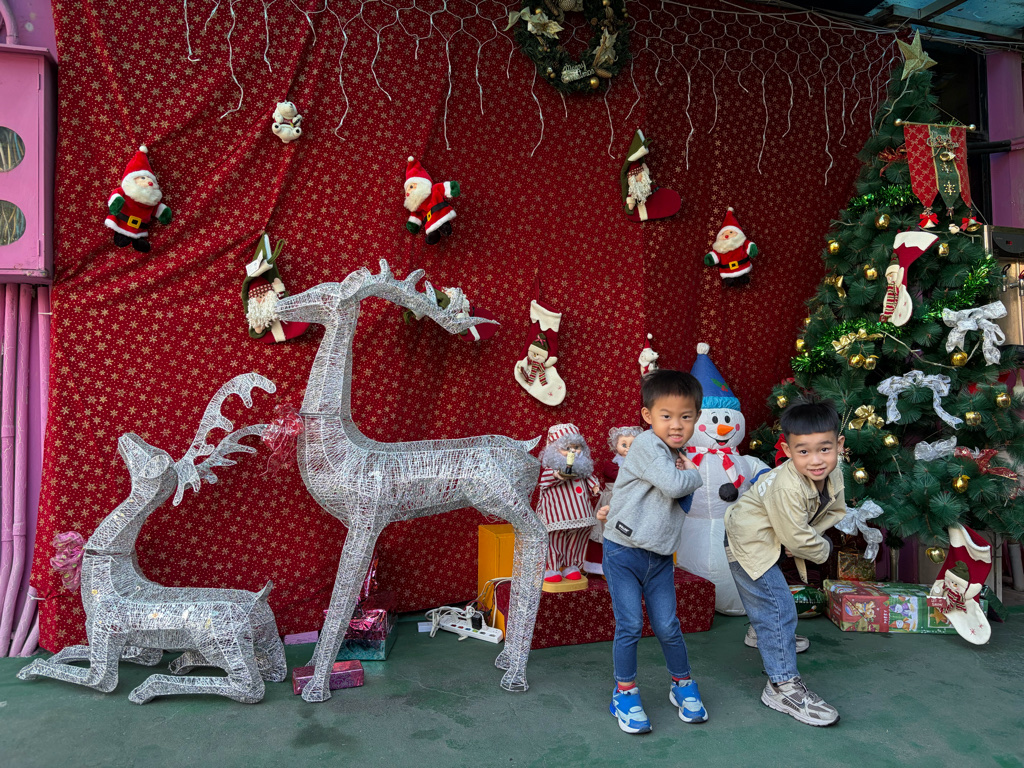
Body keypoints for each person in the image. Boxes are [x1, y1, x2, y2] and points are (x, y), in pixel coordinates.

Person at [724, 396, 847, 727]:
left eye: (824, 449)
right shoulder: (788, 487)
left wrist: (805, 538)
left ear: (839, 445)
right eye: (803, 451)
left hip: (775, 535)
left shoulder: (833, 475)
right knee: (779, 608)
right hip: (749, 540)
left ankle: (763, 634)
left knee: (770, 607)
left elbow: (833, 511)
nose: (816, 460)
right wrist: (820, 548)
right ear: (787, 450)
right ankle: (781, 686)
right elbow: (796, 538)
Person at [602, 369, 706, 734]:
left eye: (686, 416)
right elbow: (676, 486)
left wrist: (686, 470)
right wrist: (695, 474)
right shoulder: (648, 444)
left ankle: (682, 683)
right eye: (666, 415)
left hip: (659, 558)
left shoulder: (676, 451)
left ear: (696, 417)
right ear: (648, 416)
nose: (676, 425)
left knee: (667, 625)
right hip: (624, 552)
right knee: (630, 624)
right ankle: (624, 692)